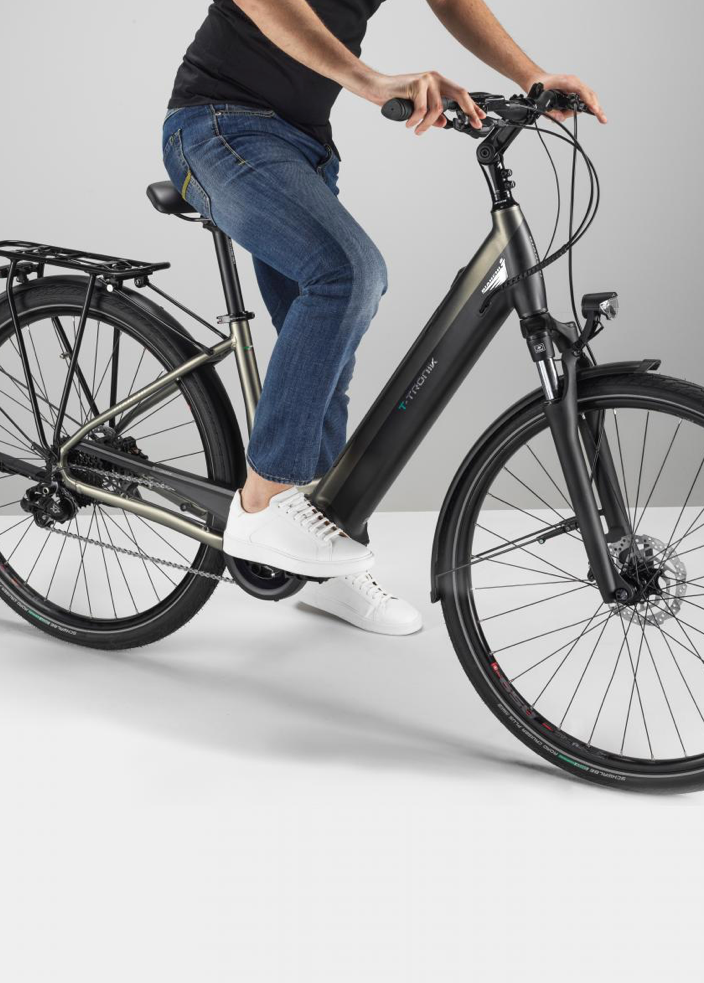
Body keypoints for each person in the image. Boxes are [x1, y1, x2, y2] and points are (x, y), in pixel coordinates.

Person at [163, 0, 606, 635]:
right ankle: (263, 503)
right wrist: (370, 80)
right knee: (348, 275)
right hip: (217, 127)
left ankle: (329, 544)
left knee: (326, 356)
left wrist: (530, 76)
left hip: (305, 145)